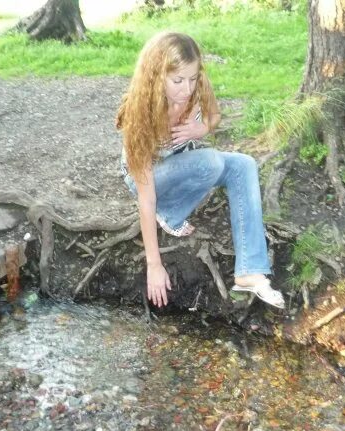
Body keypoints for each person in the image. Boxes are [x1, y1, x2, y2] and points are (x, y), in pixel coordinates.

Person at [116, 31, 284, 310]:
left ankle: (249, 270)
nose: (187, 89)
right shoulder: (141, 114)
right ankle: (169, 213)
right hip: (146, 179)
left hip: (186, 163)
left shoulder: (197, 85)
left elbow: (214, 115)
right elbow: (145, 199)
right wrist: (154, 265)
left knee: (244, 164)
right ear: (157, 75)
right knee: (211, 162)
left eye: (192, 79)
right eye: (178, 81)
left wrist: (202, 127)